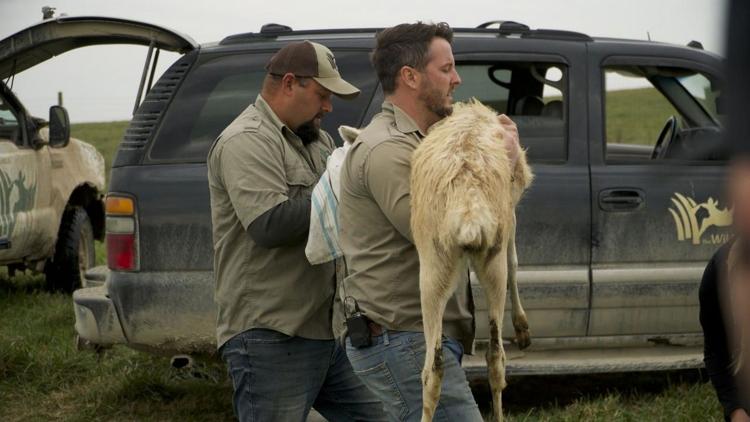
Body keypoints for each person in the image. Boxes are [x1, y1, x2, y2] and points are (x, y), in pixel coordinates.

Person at [338, 22, 520, 421]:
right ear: (410, 77)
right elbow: (437, 235)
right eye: (446, 69)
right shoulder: (388, 150)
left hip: (416, 337)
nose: (457, 80)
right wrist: (503, 164)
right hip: (401, 340)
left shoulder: (426, 144)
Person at [207, 40, 383, 422]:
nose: (328, 107)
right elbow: (269, 225)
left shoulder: (318, 140)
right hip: (271, 335)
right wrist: (349, 194)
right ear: (289, 84)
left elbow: (335, 229)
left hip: (325, 330)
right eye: (321, 94)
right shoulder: (247, 140)